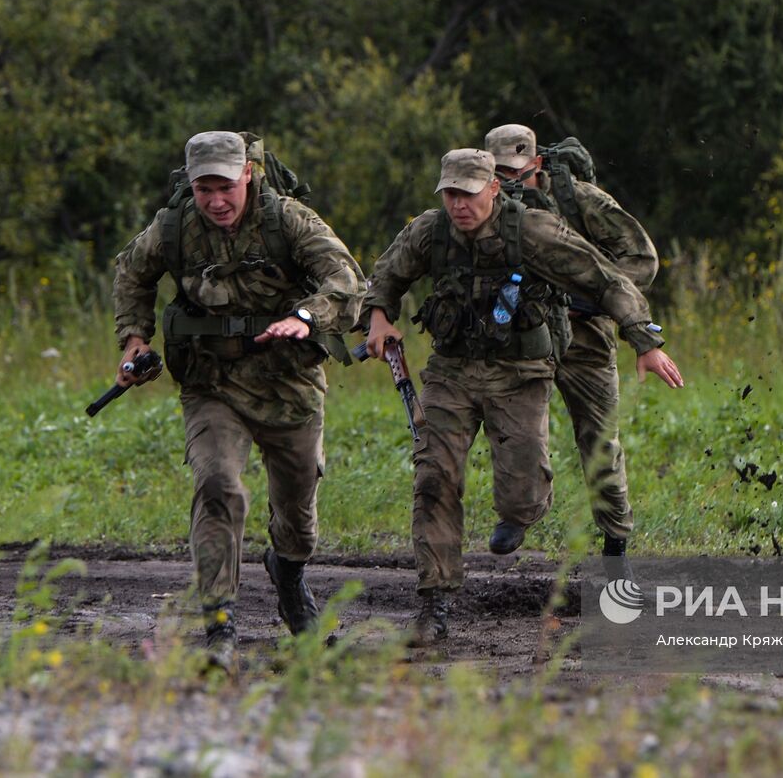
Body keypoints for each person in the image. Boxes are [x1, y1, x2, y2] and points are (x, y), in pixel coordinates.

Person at [363, 148, 683, 646]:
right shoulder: (432, 230)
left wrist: (644, 339)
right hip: (452, 371)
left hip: (520, 371)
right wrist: (379, 315)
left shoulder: (531, 230)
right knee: (434, 477)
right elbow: (387, 273)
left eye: (468, 194)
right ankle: (434, 603)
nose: (458, 205)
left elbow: (604, 277)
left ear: (493, 189)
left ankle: (528, 508)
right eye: (450, 194)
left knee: (522, 494)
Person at [112, 130, 365, 670]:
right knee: (218, 486)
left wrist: (305, 317)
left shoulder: (287, 220)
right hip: (212, 383)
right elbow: (132, 272)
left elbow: (346, 279)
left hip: (287, 381)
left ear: (247, 174)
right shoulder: (174, 226)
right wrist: (135, 339)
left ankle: (289, 576)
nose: (216, 201)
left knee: (297, 515)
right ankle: (219, 621)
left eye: (225, 186)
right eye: (204, 188)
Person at [485, 123, 657, 575]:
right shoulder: (484, 206)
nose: (505, 182)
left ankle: (616, 542)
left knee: (600, 442)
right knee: (515, 431)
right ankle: (518, 511)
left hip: (586, 336)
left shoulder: (581, 200)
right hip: (525, 334)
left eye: (513, 172)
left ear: (536, 164)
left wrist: (596, 300)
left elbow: (641, 258)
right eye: (496, 172)